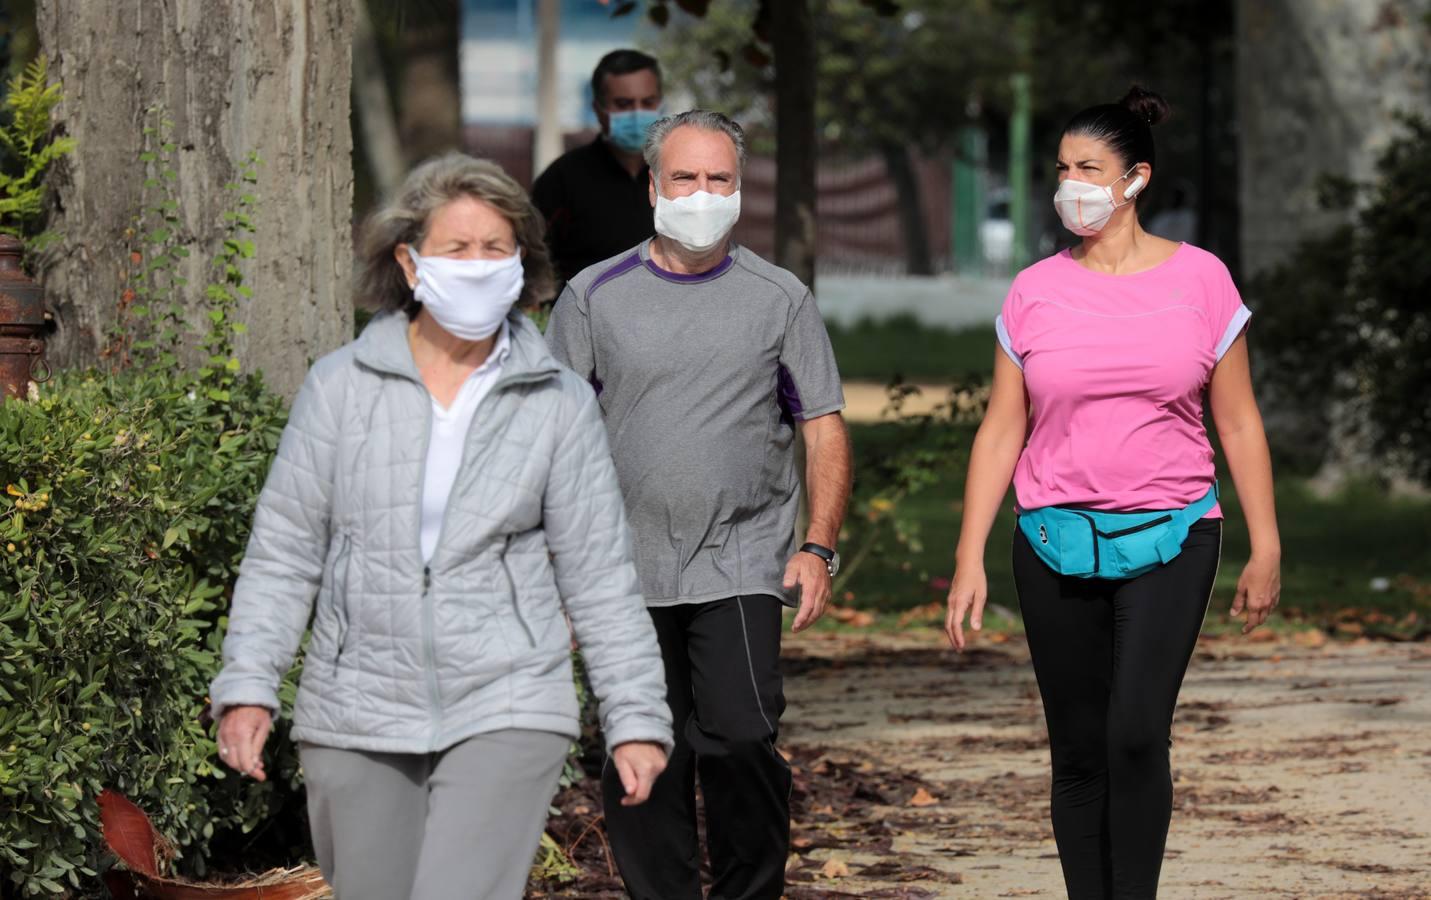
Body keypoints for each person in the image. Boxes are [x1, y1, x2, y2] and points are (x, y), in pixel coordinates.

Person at [208, 154, 673, 900]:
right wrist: (248, 686)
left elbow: (598, 574)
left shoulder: (556, 401)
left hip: (509, 696)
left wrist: (637, 717)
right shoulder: (340, 387)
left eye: (498, 249)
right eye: (458, 249)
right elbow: (285, 552)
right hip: (354, 705)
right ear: (409, 260)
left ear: (523, 264)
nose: (479, 266)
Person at [943, 86, 1281, 899]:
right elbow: (999, 430)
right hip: (1051, 540)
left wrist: (1264, 543)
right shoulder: (1032, 290)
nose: (1070, 185)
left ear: (1134, 179)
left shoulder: (1199, 280)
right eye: (1061, 169)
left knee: (1134, 733)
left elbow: (1236, 423)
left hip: (1173, 536)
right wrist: (968, 555)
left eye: (1088, 168)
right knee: (1078, 750)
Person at [546, 109, 853, 900]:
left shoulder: (779, 298)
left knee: (741, 734)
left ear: (739, 191)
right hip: (619, 569)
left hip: (741, 561)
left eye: (718, 179)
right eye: (685, 178)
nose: (701, 194)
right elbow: (546, 438)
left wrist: (816, 546)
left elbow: (820, 425)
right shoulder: (592, 297)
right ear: (653, 186)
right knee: (643, 750)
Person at [531, 48, 662, 283]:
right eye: (624, 104)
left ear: (660, 104)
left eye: (647, 102)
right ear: (598, 109)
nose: (636, 114)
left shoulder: (680, 175)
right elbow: (532, 260)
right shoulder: (563, 180)